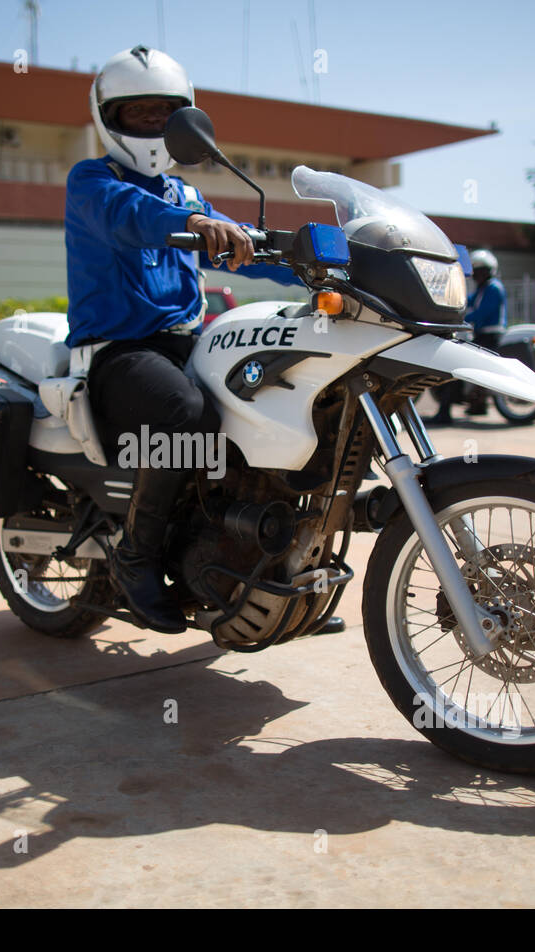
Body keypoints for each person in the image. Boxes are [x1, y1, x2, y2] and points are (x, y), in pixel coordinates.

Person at [66, 44, 342, 636]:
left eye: (166, 114)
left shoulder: (185, 195)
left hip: (187, 342)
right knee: (184, 414)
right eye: (137, 113)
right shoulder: (93, 180)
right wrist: (194, 225)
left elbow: (243, 248)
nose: (152, 125)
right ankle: (135, 556)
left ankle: (270, 571)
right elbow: (127, 215)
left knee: (281, 392)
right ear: (108, 117)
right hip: (118, 349)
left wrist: (308, 259)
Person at [426, 248, 507, 425]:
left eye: (480, 271)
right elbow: (465, 301)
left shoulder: (493, 288)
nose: (477, 275)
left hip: (490, 336)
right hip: (484, 335)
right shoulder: (482, 289)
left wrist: (458, 318)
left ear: (489, 270)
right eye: (475, 271)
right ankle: (478, 404)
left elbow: (481, 313)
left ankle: (444, 411)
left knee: (457, 368)